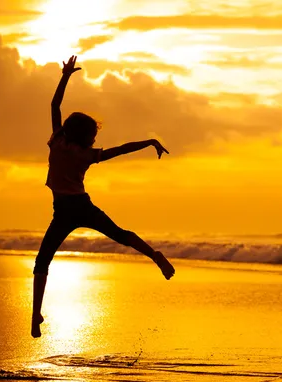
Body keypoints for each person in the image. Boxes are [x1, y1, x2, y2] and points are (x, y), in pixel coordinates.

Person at [31, 55, 176, 338]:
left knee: (42, 262)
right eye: (93, 135)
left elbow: (54, 105)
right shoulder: (88, 154)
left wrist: (65, 76)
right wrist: (148, 141)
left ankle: (36, 313)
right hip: (81, 207)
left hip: (64, 209)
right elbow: (121, 149)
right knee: (120, 234)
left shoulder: (58, 141)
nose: (96, 140)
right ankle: (154, 255)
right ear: (83, 136)